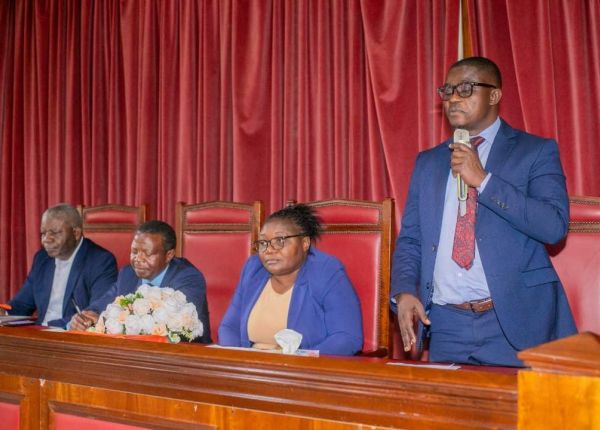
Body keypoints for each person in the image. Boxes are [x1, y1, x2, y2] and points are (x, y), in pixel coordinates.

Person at [392, 56, 577, 366]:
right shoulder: (428, 162)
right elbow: (411, 239)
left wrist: (484, 181)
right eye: (447, 90)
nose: (453, 98)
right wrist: (405, 291)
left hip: (513, 322)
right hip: (446, 324)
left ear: (494, 95)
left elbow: (553, 227)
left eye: (465, 88)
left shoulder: (535, 151)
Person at [218, 204, 363, 355]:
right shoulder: (253, 269)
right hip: (251, 364)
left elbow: (347, 338)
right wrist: (236, 359)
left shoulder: (326, 271)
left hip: (303, 366)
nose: (269, 250)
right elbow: (230, 327)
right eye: (263, 243)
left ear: (305, 243)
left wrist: (298, 360)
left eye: (280, 240)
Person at [70, 220, 212, 343]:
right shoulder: (128, 274)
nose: (138, 259)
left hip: (186, 355)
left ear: (169, 255)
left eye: (147, 253)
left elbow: (177, 325)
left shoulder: (188, 277)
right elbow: (104, 302)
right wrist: (87, 317)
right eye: (134, 251)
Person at [1, 204, 117, 328]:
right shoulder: (42, 258)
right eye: (43, 233)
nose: (46, 239)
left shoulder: (100, 261)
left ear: (76, 233)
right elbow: (22, 304)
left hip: (70, 334)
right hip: (39, 333)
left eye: (54, 233)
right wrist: (4, 312)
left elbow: (96, 311)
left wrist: (54, 326)